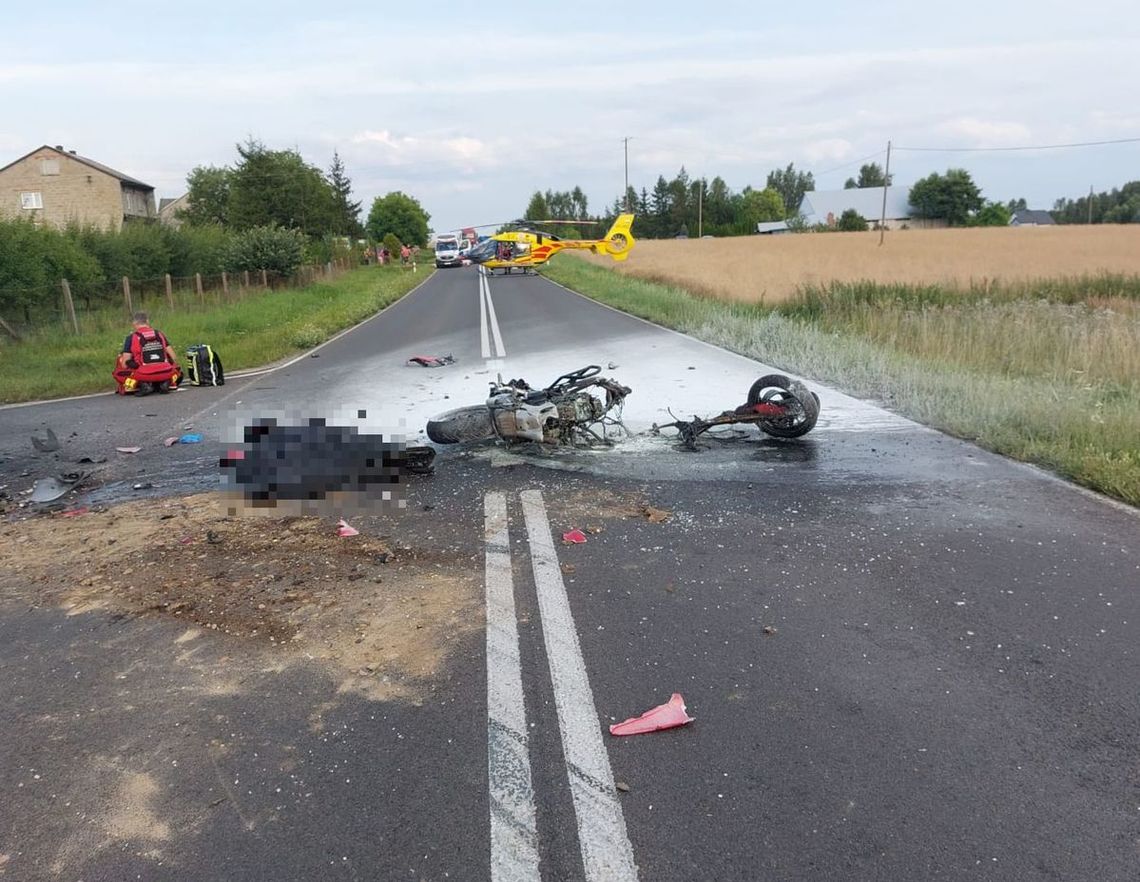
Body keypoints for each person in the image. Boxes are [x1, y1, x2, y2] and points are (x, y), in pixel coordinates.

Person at [113, 311, 181, 394]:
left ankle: (142, 384)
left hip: (143, 375)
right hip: (166, 373)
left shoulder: (131, 337)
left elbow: (124, 364)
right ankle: (167, 382)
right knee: (177, 369)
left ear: (134, 323)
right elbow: (174, 357)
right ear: (147, 322)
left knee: (118, 372)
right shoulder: (159, 334)